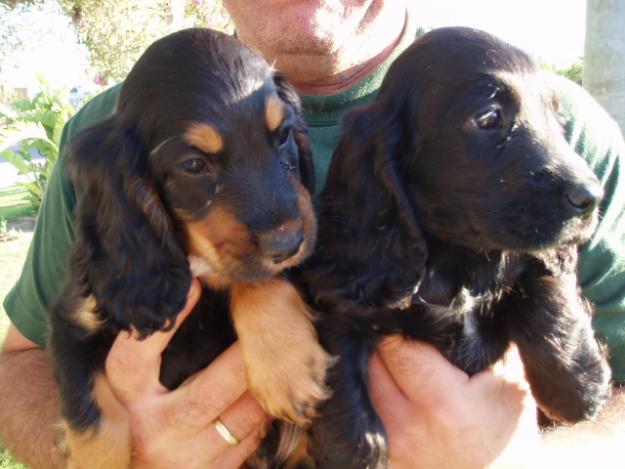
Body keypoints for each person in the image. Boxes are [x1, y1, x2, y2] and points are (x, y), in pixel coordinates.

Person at [1, 1, 624, 467]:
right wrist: (115, 454)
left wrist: (527, 458)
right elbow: (17, 364)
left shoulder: (560, 140)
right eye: (195, 166)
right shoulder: (116, 130)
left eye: (280, 146)